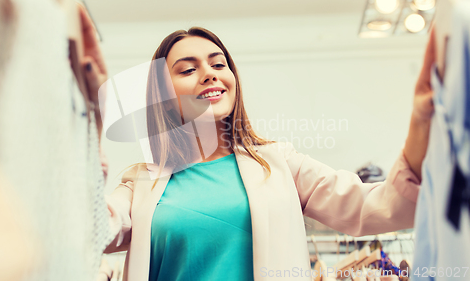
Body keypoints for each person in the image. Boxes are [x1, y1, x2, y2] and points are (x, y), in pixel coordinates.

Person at [102, 27, 434, 281]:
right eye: (187, 70)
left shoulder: (278, 163)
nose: (209, 73)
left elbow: (376, 206)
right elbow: (92, 230)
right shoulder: (140, 184)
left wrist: (422, 122)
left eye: (219, 64)